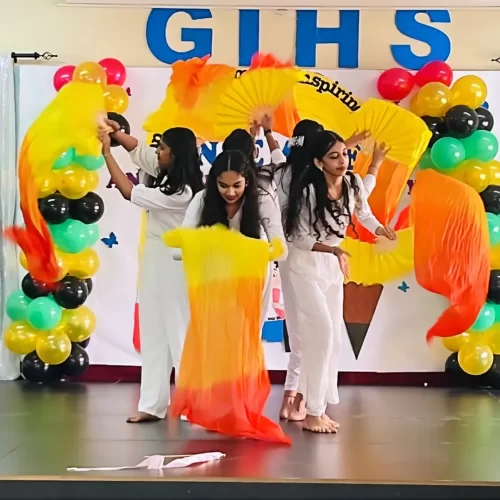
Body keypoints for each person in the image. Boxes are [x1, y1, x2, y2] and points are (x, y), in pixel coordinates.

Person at [283, 130, 395, 433]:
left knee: (330, 341)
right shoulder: (307, 192)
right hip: (305, 267)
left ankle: (312, 405)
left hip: (332, 268)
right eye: (334, 156)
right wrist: (334, 250)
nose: (342, 161)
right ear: (319, 162)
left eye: (345, 154)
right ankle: (313, 412)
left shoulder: (353, 184)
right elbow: (299, 238)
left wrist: (380, 228)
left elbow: (364, 213)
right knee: (321, 334)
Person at [98, 121, 204, 423]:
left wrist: (107, 153)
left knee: (179, 331)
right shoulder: (166, 173)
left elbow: (128, 191)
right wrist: (115, 132)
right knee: (153, 330)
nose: (158, 152)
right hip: (155, 257)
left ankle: (191, 404)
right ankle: (152, 404)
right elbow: (138, 150)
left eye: (163, 148)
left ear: (176, 154)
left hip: (177, 260)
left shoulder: (184, 191)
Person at [178, 149, 287, 325]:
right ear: (214, 182)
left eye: (237, 185)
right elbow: (178, 248)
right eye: (223, 185)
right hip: (212, 276)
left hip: (252, 277)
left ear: (247, 181)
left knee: (247, 334)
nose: (230, 192)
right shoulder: (202, 199)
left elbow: (281, 250)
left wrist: (243, 248)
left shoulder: (262, 200)